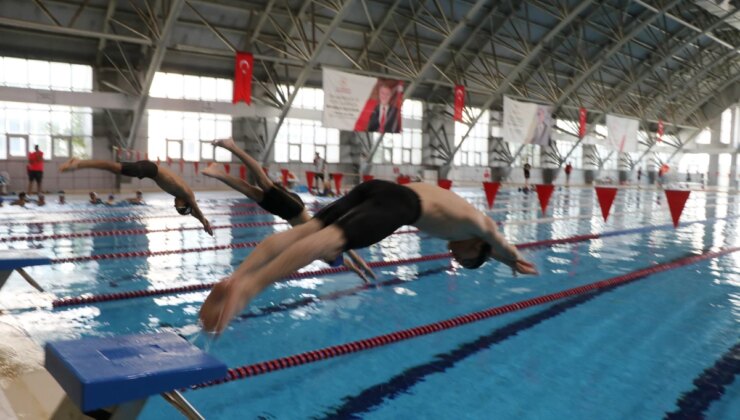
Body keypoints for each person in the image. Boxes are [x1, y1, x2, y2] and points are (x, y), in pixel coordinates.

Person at [199, 180, 538, 334]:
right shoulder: (475, 224)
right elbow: (496, 237)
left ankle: (237, 278)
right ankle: (247, 289)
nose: (454, 255)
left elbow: (489, 249)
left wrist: (502, 260)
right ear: (476, 246)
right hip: (401, 204)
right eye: (463, 259)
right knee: (329, 243)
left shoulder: (461, 227)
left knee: (303, 230)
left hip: (376, 188)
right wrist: (513, 259)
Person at [204, 138, 375, 282]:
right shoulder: (333, 242)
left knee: (250, 191)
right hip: (294, 208)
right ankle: (232, 146)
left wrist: (362, 275)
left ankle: (219, 173)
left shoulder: (325, 255)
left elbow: (350, 265)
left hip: (285, 213)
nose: (327, 258)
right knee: (263, 182)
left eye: (328, 260)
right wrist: (365, 266)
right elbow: (354, 257)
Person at [60, 158, 212, 235]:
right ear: (185, 202)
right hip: (150, 170)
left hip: (148, 171)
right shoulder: (187, 194)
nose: (174, 204)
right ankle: (78, 163)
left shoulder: (183, 196)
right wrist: (205, 223)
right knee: (114, 168)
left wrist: (202, 221)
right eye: (178, 205)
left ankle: (79, 163)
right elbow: (196, 210)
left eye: (176, 207)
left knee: (115, 168)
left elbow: (193, 211)